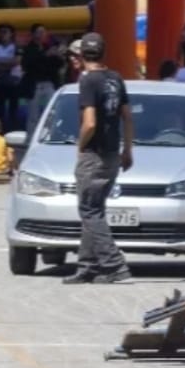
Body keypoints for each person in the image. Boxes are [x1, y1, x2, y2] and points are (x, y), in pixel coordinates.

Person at [64, 33, 135, 285]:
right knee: (94, 209)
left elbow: (90, 123)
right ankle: (88, 266)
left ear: (82, 55)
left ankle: (114, 264)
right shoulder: (115, 78)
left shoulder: (88, 81)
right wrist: (127, 149)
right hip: (112, 153)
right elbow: (127, 116)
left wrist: (80, 146)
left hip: (93, 153)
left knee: (89, 211)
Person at [0, 24, 20, 128]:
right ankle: (0, 131)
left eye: (5, 31)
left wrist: (1, 62)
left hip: (13, 82)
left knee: (13, 109)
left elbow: (17, 61)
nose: (3, 34)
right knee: (0, 109)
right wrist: (8, 64)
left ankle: (13, 129)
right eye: (1, 32)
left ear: (11, 34)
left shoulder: (16, 46)